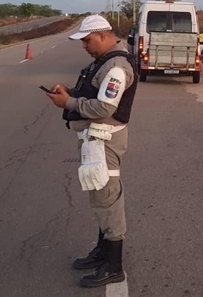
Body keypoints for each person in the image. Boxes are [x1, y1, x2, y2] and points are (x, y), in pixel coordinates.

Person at [45, 14, 138, 288]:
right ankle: (102, 252)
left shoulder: (117, 67)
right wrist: (70, 92)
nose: (84, 46)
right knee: (100, 196)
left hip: (105, 140)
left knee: (108, 198)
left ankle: (113, 266)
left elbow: (105, 108)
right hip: (96, 140)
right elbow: (94, 94)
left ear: (102, 35)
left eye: (86, 40)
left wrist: (69, 103)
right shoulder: (104, 62)